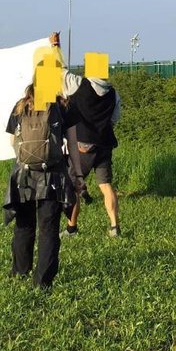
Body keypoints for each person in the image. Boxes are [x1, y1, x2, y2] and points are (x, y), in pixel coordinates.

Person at [3, 83, 86, 288]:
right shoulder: (63, 106)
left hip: (24, 176)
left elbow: (12, 140)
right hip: (53, 176)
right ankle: (42, 282)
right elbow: (73, 144)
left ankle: (20, 271)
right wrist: (78, 174)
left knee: (24, 225)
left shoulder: (20, 106)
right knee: (48, 230)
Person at [48, 33, 122, 238]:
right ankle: (115, 226)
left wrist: (56, 45)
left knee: (73, 187)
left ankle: (72, 228)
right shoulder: (114, 93)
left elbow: (58, 71)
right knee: (106, 186)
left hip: (82, 146)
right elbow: (114, 119)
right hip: (105, 144)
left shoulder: (77, 84)